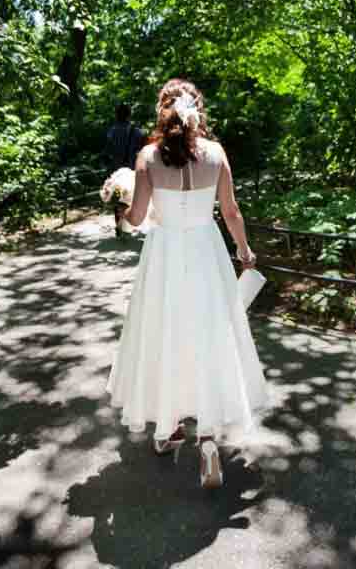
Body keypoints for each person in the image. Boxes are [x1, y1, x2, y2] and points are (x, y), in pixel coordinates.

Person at [106, 78, 269, 489]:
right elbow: (231, 212)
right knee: (211, 337)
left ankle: (169, 428)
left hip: (164, 258)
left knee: (165, 336)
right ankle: (209, 442)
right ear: (199, 109)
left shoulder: (147, 157)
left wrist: (117, 203)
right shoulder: (215, 154)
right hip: (206, 252)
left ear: (162, 110)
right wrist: (244, 252)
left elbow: (138, 218)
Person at [105, 103, 143, 236]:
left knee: (117, 198)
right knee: (129, 197)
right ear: (129, 114)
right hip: (132, 170)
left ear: (116, 114)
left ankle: (119, 224)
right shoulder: (137, 131)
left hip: (116, 171)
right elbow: (142, 151)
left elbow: (108, 150)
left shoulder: (111, 131)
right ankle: (126, 225)